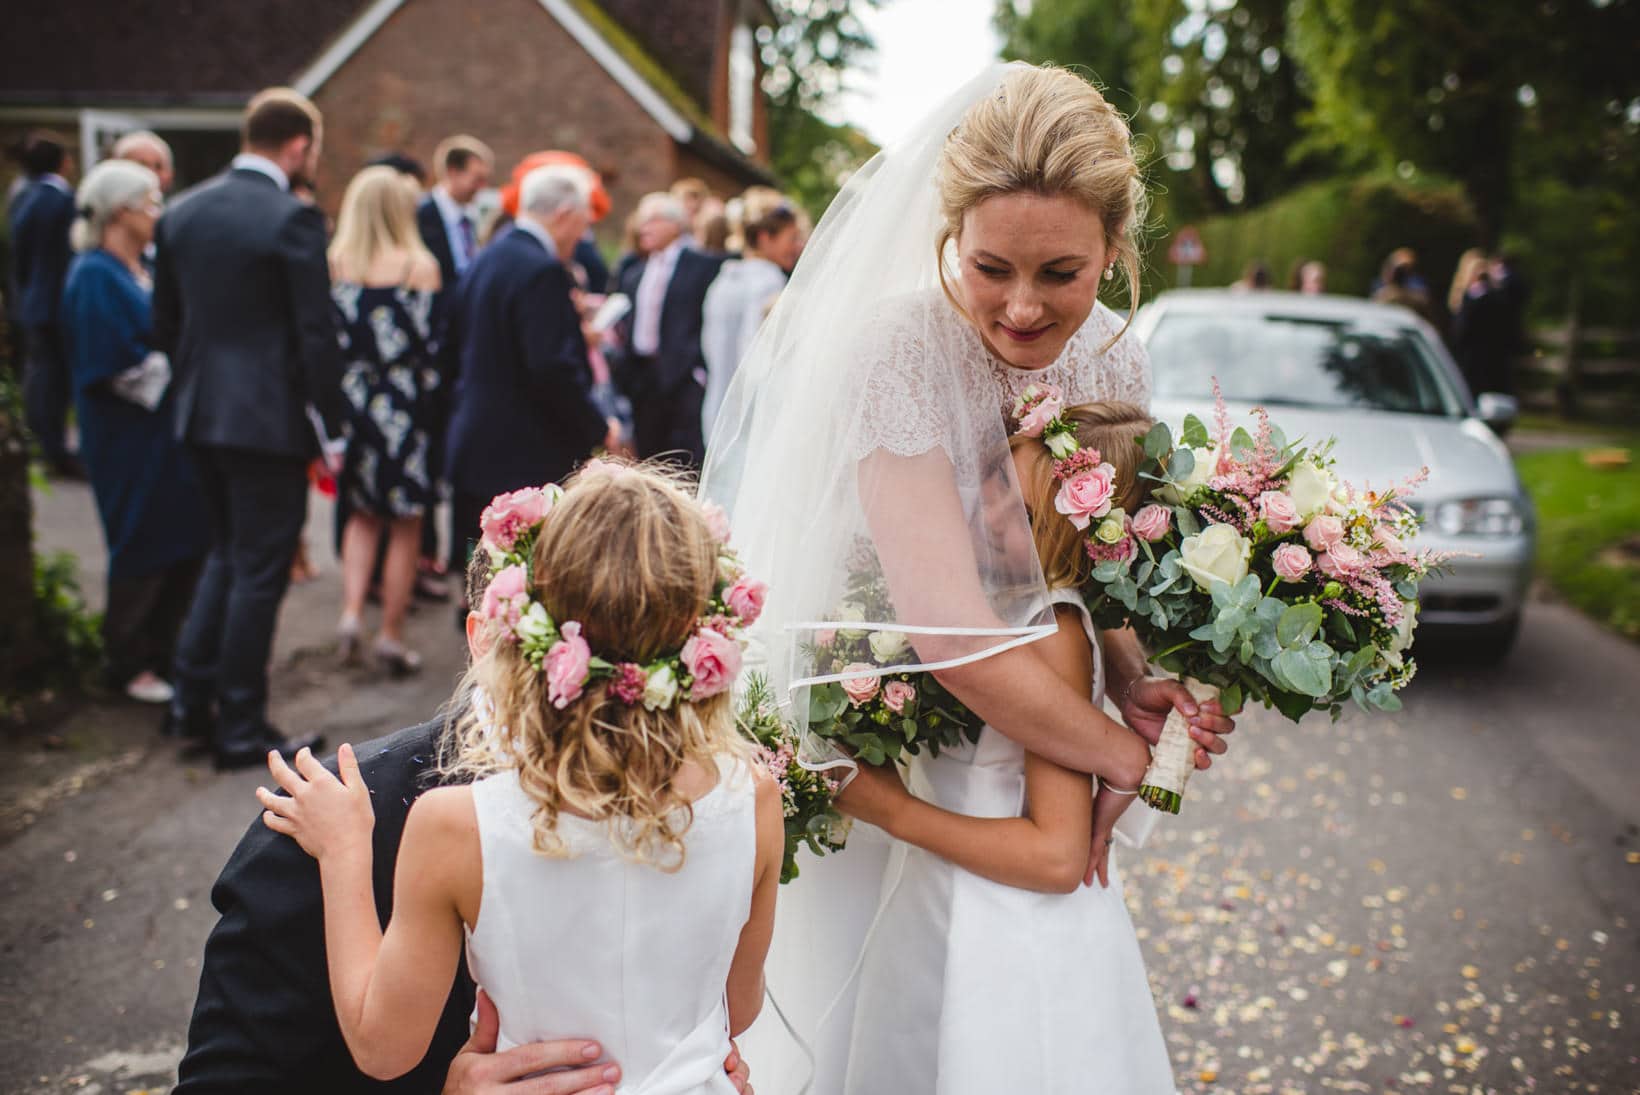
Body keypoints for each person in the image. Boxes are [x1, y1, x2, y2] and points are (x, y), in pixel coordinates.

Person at [701, 63, 1234, 1092]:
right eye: (990, 268)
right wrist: (1126, 759)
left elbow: (1073, 562)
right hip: (892, 735)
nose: (1023, 309)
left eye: (1061, 274)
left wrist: (1127, 671)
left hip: (1019, 726)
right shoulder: (897, 350)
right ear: (947, 235)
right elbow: (945, 630)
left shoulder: (1115, 363)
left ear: (1115, 252)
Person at [254, 464, 780, 1091]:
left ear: (524, 636)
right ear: (703, 635)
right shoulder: (755, 798)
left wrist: (343, 852)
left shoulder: (456, 825)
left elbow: (383, 1046)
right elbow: (739, 1008)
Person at [836, 401, 1173, 1091]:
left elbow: (1055, 855)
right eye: (993, 481)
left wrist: (893, 810)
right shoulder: (1000, 603)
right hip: (947, 894)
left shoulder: (1051, 632)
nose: (990, 514)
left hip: (1009, 931)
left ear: (1079, 537)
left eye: (1022, 513)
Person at [152, 87, 339, 768]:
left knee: (227, 557)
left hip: (199, 411)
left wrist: (203, 386)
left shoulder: (181, 213)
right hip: (266, 420)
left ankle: (188, 708)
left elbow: (165, 325)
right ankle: (238, 728)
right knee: (259, 570)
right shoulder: (293, 220)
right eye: (313, 149)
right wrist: (336, 429)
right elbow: (315, 337)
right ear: (297, 145)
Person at [60, 159, 208, 706]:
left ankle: (166, 649)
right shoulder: (93, 274)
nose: (157, 214)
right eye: (149, 204)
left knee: (180, 531)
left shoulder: (143, 265)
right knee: (141, 537)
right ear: (120, 211)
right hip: (126, 435)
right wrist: (185, 363)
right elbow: (113, 365)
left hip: (165, 433)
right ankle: (127, 661)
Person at [442, 164, 618, 572]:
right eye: (583, 223)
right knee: (519, 580)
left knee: (484, 579)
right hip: (521, 450)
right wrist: (597, 428)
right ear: (562, 214)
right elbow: (550, 368)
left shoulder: (487, 258)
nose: (582, 235)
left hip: (476, 439)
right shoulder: (541, 271)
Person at [328, 166, 444, 675]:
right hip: (401, 402)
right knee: (405, 523)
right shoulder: (418, 266)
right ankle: (390, 633)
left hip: (353, 400)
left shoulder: (337, 261)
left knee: (361, 514)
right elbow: (428, 347)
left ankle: (351, 613)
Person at [612, 192, 726, 465]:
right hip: (643, 378)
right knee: (650, 459)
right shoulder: (634, 272)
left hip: (683, 378)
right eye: (642, 221)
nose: (644, 228)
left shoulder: (703, 265)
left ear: (676, 225)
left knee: (687, 458)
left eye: (653, 220)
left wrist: (696, 367)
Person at [8, 129, 82, 477]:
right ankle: (55, 450)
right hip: (56, 303)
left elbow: (18, 255)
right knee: (54, 380)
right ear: (64, 163)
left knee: (40, 376)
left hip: (33, 299)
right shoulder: (62, 200)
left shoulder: (22, 197)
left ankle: (41, 442)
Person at [700, 193, 799, 443]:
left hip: (716, 403)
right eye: (792, 238)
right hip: (749, 414)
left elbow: (709, 345)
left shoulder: (724, 279)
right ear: (766, 238)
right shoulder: (769, 282)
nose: (798, 247)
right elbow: (756, 354)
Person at [416, 135, 492, 293]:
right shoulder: (421, 214)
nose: (482, 187)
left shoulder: (474, 216)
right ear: (453, 172)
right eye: (477, 179)